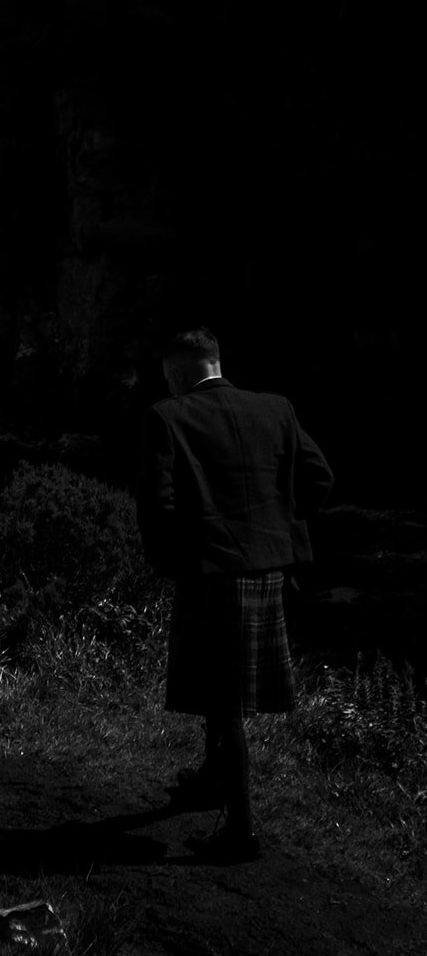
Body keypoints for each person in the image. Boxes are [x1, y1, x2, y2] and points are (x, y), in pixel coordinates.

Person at [136, 327, 334, 863]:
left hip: (211, 570)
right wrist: (277, 529)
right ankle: (207, 781)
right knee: (219, 684)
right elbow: (320, 479)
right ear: (216, 363)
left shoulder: (167, 417)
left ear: (177, 373)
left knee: (223, 700)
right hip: (268, 567)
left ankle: (241, 831)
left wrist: (173, 560)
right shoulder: (276, 408)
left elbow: (159, 505)